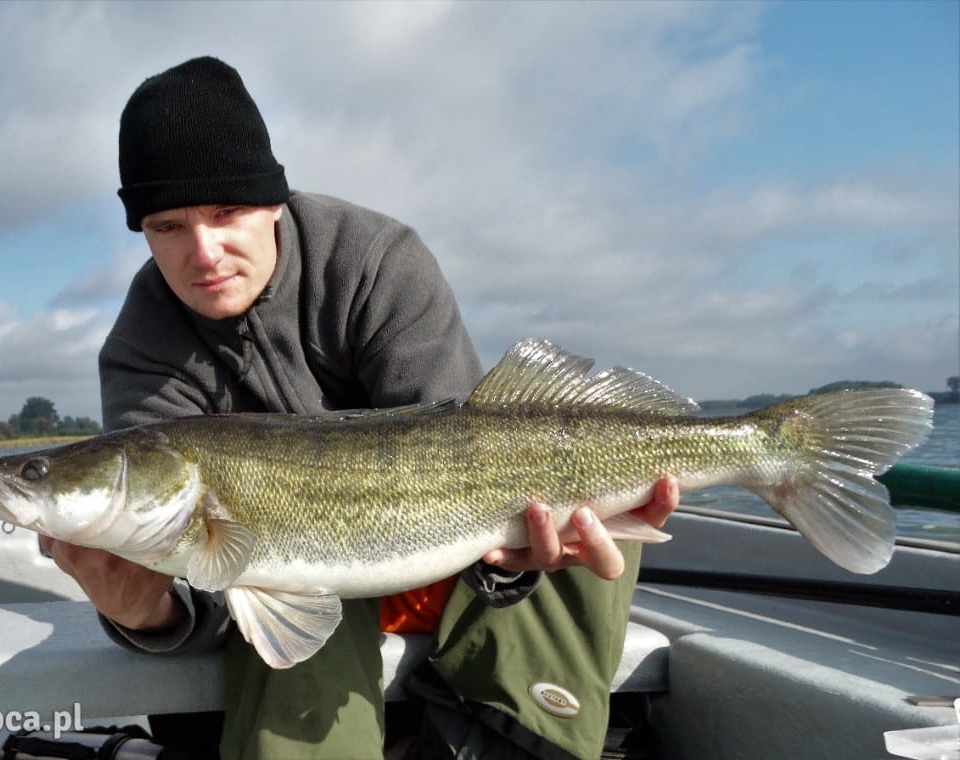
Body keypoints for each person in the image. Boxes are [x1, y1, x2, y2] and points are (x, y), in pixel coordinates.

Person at [41, 56, 679, 760]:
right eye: (168, 225)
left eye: (227, 212)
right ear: (143, 229)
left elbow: (469, 450)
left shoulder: (377, 258)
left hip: (454, 545)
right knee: (279, 600)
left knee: (583, 530)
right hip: (308, 581)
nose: (204, 252)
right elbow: (206, 592)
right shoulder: (142, 350)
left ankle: (518, 736)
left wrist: (511, 562)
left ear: (274, 199)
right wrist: (147, 615)